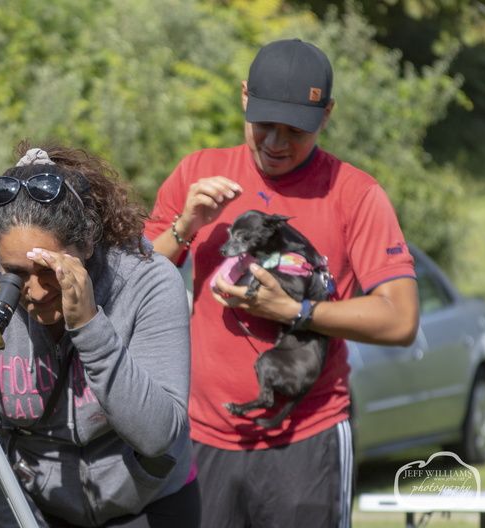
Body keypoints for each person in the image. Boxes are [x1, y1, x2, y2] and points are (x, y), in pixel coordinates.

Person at [144, 38, 420, 528]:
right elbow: (133, 283)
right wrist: (183, 228)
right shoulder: (198, 172)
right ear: (245, 97)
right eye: (264, 124)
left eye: (295, 130)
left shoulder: (356, 194)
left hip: (307, 441)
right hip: (203, 438)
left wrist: (295, 312)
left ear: (326, 115)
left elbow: (400, 320)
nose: (275, 143)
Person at [0, 141, 200, 528]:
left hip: (146, 502)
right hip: (26, 504)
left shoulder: (147, 280)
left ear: (88, 244)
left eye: (51, 270)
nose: (38, 291)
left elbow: (158, 435)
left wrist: (91, 327)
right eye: (17, 273)